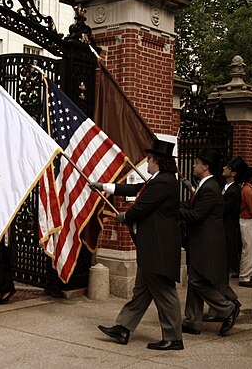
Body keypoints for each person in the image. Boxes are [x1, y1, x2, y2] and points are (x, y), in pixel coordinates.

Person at [94, 139, 184, 351]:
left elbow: (142, 207)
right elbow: (135, 187)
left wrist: (125, 216)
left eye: (150, 159)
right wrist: (105, 187)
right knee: (141, 292)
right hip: (152, 247)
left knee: (164, 292)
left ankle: (174, 337)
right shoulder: (160, 179)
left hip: (158, 248)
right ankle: (123, 327)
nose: (147, 163)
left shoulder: (164, 181)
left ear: (158, 161)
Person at [179, 147, 240, 336]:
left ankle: (227, 308)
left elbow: (197, 215)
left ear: (205, 166)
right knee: (195, 280)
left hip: (207, 243)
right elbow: (192, 207)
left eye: (197, 163)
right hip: (202, 242)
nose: (194, 166)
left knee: (198, 281)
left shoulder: (210, 188)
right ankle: (192, 321)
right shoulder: (206, 185)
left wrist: (172, 209)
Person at [237, 158, 252, 288]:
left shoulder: (249, 188)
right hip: (248, 220)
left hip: (250, 220)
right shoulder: (247, 189)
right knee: (249, 249)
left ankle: (247, 275)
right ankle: (245, 277)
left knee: (251, 249)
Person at [221, 157, 245, 279]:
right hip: (225, 223)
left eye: (228, 168)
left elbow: (224, 208)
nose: (224, 168)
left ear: (233, 173)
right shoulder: (226, 187)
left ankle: (232, 268)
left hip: (229, 223)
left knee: (229, 246)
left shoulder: (234, 190)